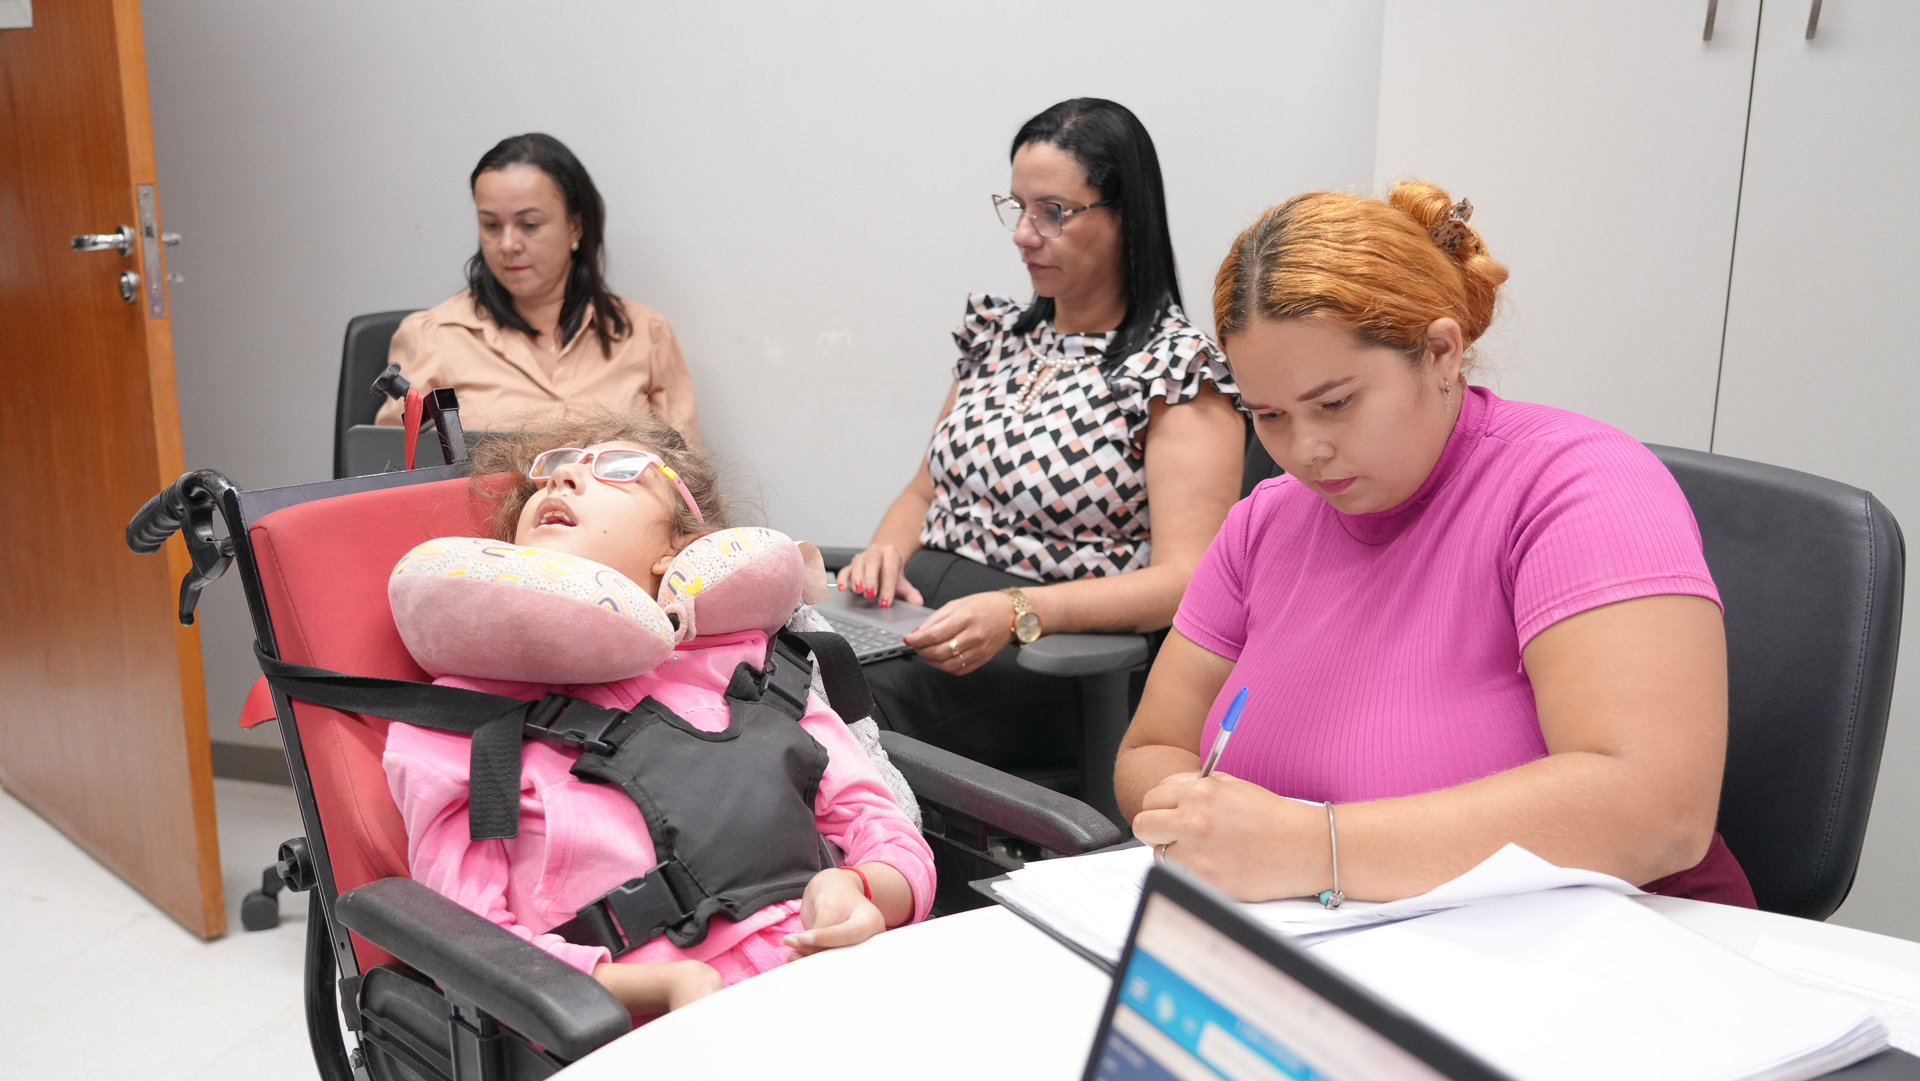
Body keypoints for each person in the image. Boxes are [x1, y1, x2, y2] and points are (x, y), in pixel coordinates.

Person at [1118, 182, 1753, 906]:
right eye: (1269, 415)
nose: (1307, 450)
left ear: (1442, 352)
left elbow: (1657, 810)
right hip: (1336, 945)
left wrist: (1312, 846)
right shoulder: (1266, 521)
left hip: (1605, 954)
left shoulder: (1579, 486)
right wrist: (1200, 819)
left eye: (1336, 403)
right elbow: (1151, 748)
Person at [382, 414, 933, 1017]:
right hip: (635, 1034)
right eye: (549, 474)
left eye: (618, 470)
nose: (562, 477)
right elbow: (469, 945)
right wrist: (661, 992)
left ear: (676, 545)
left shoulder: (759, 674)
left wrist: (860, 890)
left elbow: (885, 829)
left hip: (842, 990)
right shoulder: (468, 719)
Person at [838, 98, 1244, 778]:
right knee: (767, 667)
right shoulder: (1000, 338)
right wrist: (886, 549)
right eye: (1016, 207)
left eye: (1051, 211)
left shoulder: (1176, 372)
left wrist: (1022, 609)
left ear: (1123, 217)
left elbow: (1187, 580)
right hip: (923, 627)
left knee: (821, 707)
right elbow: (923, 490)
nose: (1024, 235)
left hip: (1040, 661)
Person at [375, 134, 700, 442]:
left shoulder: (646, 333)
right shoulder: (433, 335)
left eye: (529, 225)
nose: (507, 244)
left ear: (576, 225)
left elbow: (688, 481)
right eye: (491, 225)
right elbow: (387, 475)